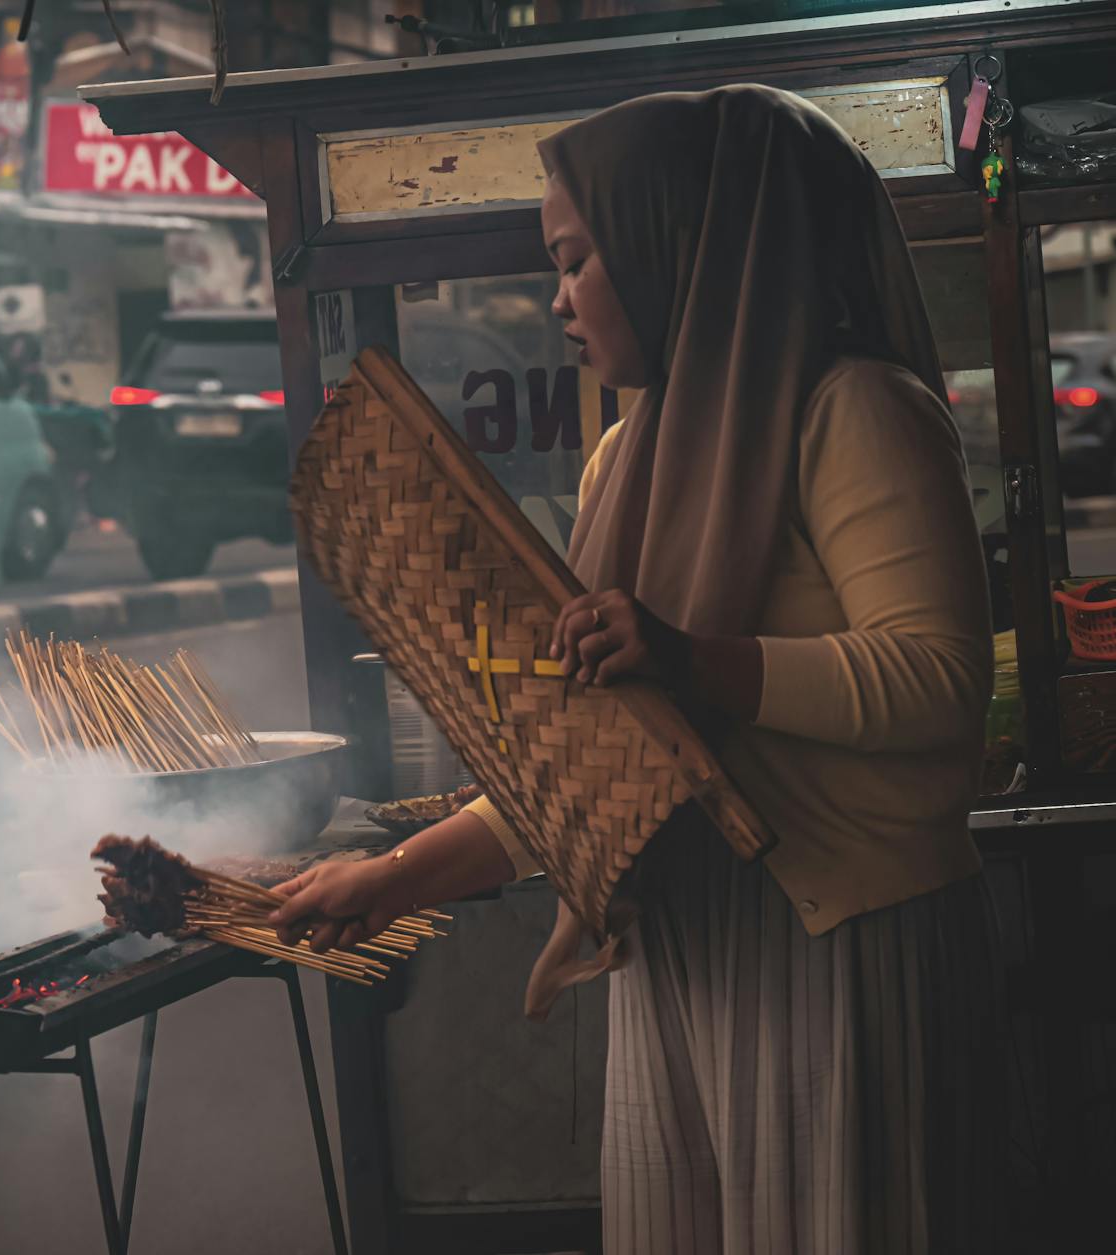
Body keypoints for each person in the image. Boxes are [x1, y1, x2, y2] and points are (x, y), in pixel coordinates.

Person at [271, 85, 1003, 1254]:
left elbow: (934, 681)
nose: (555, 297)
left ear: (681, 247)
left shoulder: (850, 410)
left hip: (832, 957)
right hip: (687, 952)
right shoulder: (624, 456)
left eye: (575, 260)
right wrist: (388, 878)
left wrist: (687, 658)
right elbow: (595, 761)